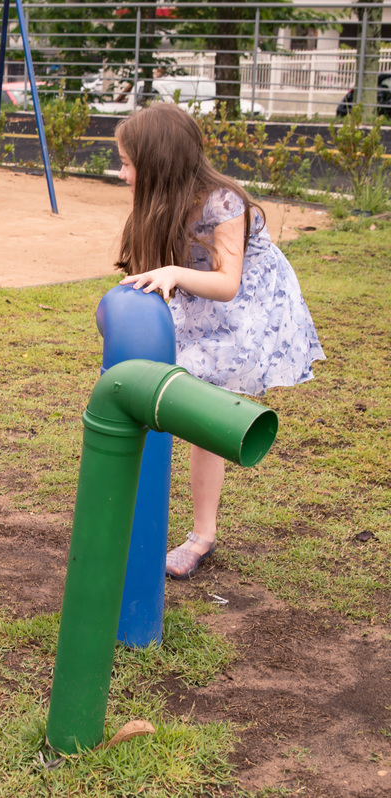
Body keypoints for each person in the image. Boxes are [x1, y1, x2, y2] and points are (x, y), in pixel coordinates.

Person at [114, 103, 324, 580]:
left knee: (199, 408)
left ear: (159, 163)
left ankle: (201, 535)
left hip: (245, 306)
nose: (122, 174)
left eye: (128, 164)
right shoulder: (160, 202)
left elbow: (228, 284)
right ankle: (141, 515)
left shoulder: (224, 204)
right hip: (197, 301)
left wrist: (172, 273)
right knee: (162, 390)